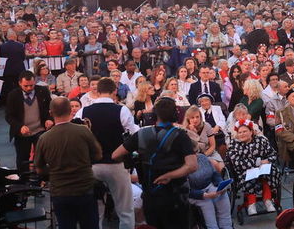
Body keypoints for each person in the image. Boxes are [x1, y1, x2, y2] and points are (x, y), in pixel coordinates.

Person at [112, 97, 198, 228]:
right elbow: (192, 165)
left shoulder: (141, 134)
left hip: (150, 195)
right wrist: (170, 175)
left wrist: (134, 161)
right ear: (175, 115)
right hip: (175, 197)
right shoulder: (180, 135)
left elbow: (115, 155)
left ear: (154, 114)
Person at [74, 77, 140, 229]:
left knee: (95, 209)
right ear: (114, 91)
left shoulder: (84, 111)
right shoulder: (121, 110)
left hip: (92, 166)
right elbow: (133, 133)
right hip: (116, 164)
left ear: (97, 91)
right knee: (125, 210)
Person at [33, 97, 102, 229]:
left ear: (50, 112)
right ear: (70, 110)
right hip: (84, 189)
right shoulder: (83, 131)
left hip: (60, 191)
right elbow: (98, 155)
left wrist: (52, 170)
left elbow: (39, 168)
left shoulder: (44, 138)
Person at [227, 119, 280, 215]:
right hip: (244, 171)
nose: (242, 134)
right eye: (240, 132)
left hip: (263, 169)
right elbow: (237, 163)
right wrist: (257, 162)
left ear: (251, 131)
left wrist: (267, 160)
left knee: (271, 171)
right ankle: (251, 204)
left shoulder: (261, 140)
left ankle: (267, 200)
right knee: (250, 176)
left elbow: (273, 154)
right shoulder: (233, 145)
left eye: (245, 131)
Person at [5, 70, 53, 172]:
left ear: (35, 82)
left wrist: (49, 119)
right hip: (22, 132)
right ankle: (23, 180)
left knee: (43, 157)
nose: (29, 88)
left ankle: (42, 179)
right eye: (25, 86)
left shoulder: (43, 91)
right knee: (22, 159)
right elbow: (9, 116)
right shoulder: (13, 95)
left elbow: (51, 109)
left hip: (40, 130)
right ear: (19, 83)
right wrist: (19, 126)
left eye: (31, 85)